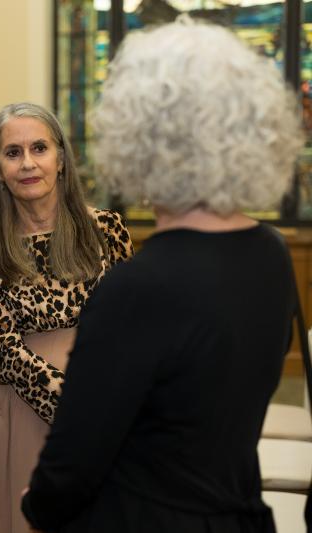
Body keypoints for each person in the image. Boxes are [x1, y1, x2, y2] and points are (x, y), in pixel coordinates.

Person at [22, 17, 304, 533]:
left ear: (136, 140)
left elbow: (72, 464)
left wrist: (37, 505)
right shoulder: (272, 253)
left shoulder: (137, 288)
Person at [0, 102, 134, 533]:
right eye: (12, 153)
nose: (28, 163)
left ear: (61, 158)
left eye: (39, 148)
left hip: (101, 407)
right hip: (15, 415)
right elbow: (3, 354)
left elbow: (132, 331)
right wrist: (76, 412)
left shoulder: (108, 230)